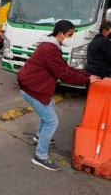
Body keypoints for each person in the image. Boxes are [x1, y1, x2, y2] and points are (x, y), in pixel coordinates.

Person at [17, 20, 100, 171]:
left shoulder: (51, 46)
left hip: (37, 87)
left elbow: (65, 67)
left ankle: (39, 137)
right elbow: (64, 74)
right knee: (51, 121)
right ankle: (40, 156)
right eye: (70, 35)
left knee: (49, 108)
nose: (71, 38)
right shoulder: (49, 48)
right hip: (32, 89)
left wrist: (87, 75)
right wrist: (87, 80)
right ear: (60, 34)